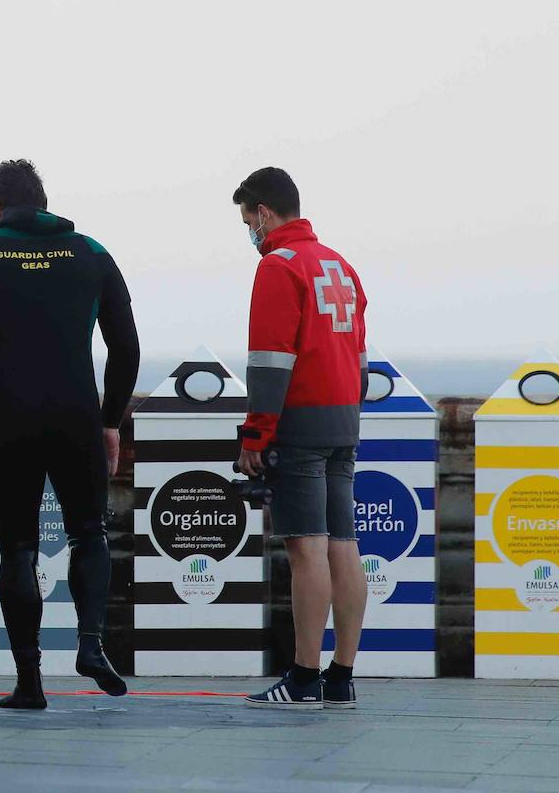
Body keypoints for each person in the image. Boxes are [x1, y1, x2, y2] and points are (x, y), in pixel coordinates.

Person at [0, 158, 140, 709]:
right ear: (42, 201)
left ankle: (29, 682)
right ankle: (90, 644)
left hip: (8, 419)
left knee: (17, 549)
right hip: (77, 416)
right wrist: (109, 422)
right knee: (89, 533)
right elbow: (126, 346)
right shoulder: (91, 253)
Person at [232, 167, 369, 710]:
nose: (250, 233)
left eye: (248, 221)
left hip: (300, 423)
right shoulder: (342, 266)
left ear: (264, 212)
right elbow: (359, 359)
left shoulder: (278, 267)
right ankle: (342, 677)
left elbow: (269, 363)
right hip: (343, 420)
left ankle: (304, 677)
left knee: (305, 549)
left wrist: (255, 435)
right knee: (344, 544)